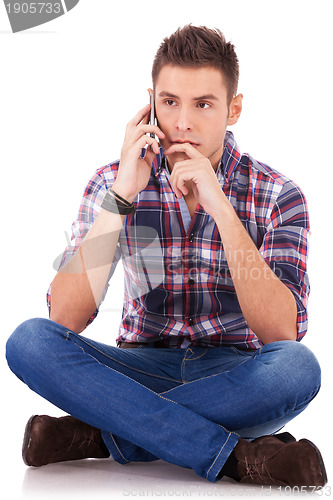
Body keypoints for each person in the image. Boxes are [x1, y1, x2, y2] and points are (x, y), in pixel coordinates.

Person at [6, 25, 327, 487]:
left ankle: (101, 435)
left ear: (233, 109)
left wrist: (220, 207)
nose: (182, 122)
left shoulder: (279, 194)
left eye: (203, 105)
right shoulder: (114, 180)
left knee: (299, 369)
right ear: (150, 101)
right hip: (137, 368)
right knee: (29, 341)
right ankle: (235, 456)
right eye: (170, 101)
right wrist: (121, 196)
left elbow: (282, 332)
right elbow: (65, 318)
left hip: (237, 374)